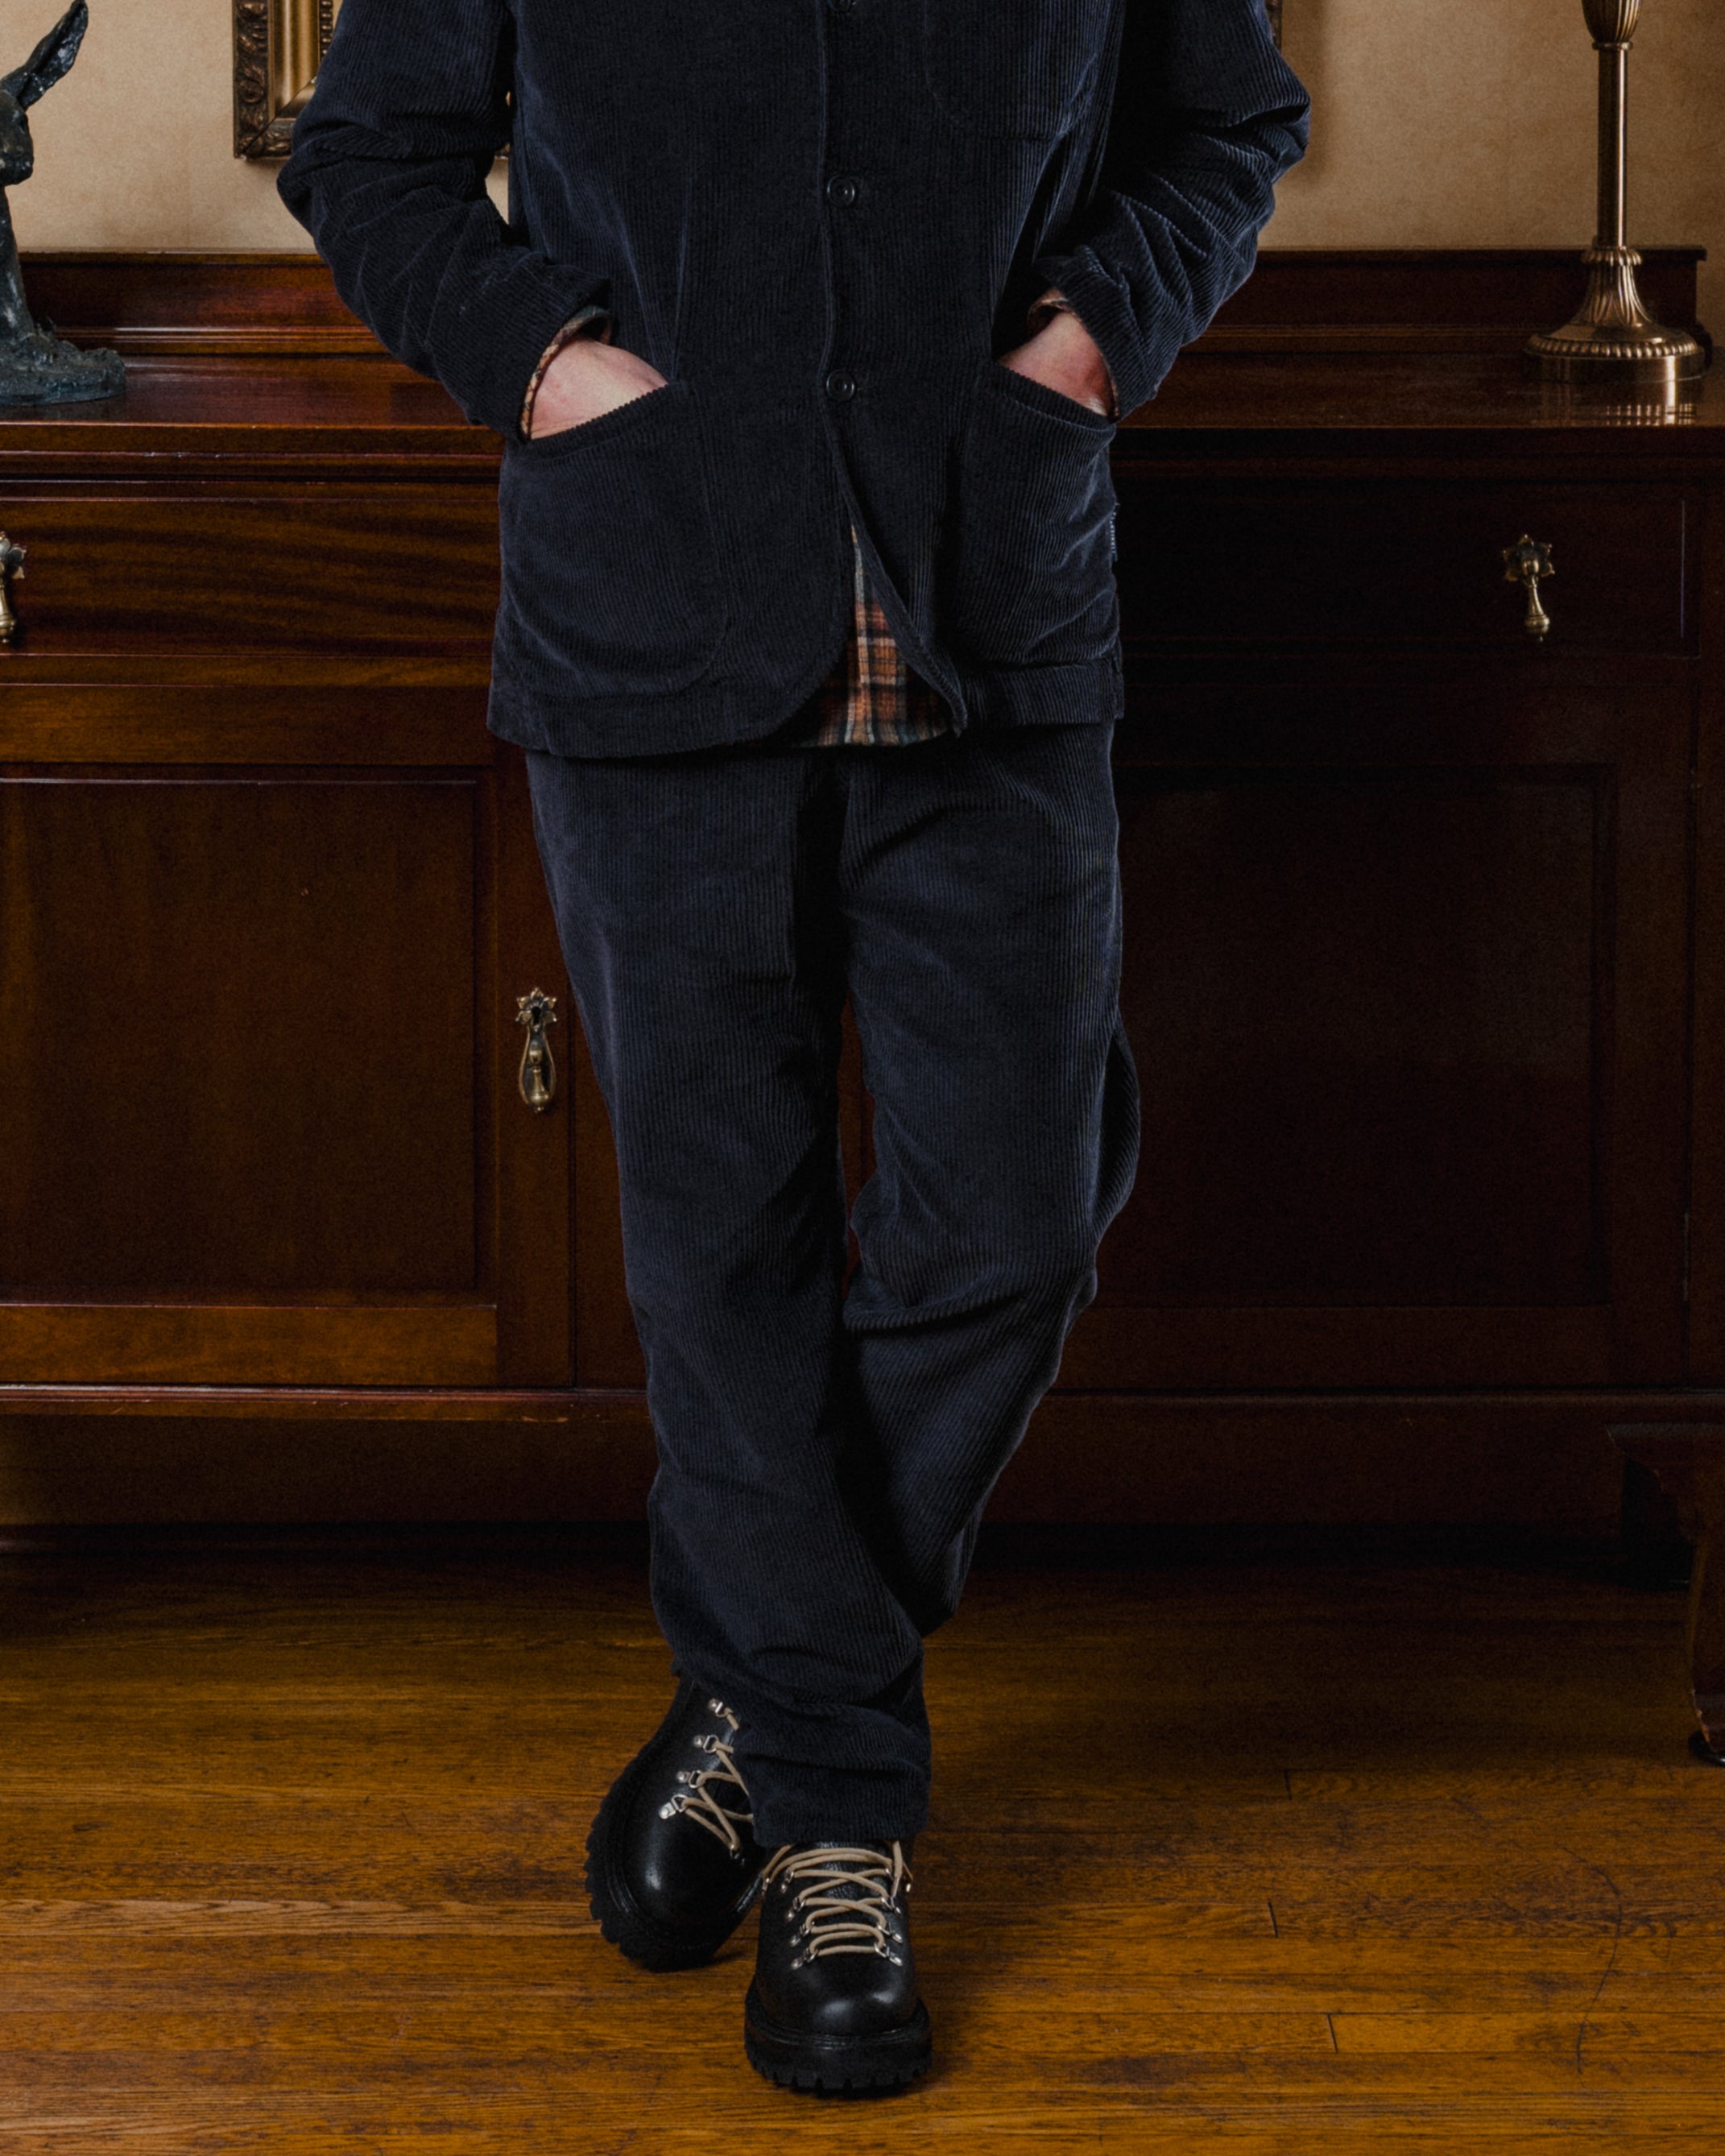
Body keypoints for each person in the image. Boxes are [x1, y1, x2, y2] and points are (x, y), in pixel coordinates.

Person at [279, 0, 1309, 2094]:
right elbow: (365, 155)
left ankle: (756, 1705)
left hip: (994, 604)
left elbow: (1230, 127)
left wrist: (1085, 345)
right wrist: (550, 366)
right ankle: (846, 1834)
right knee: (720, 1252)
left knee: (1018, 1215)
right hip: (650, 604)